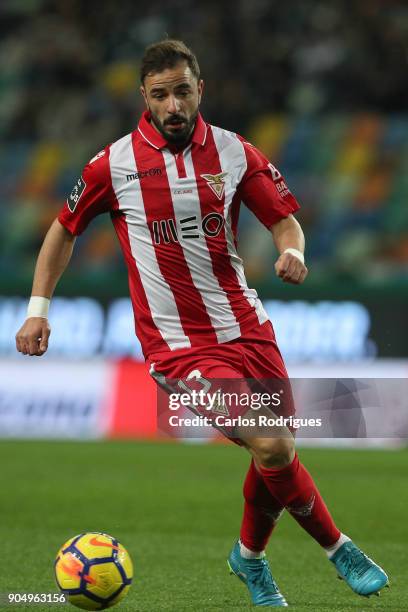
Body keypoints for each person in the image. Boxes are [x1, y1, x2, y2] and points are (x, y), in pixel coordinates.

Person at [15, 39, 388, 607]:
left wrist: (295, 252)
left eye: (182, 92)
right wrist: (38, 310)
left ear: (199, 90)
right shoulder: (112, 164)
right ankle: (340, 549)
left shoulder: (235, 153)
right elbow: (63, 230)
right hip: (179, 348)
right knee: (273, 444)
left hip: (247, 327)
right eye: (160, 94)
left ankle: (250, 558)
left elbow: (284, 220)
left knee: (275, 455)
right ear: (144, 96)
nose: (172, 106)